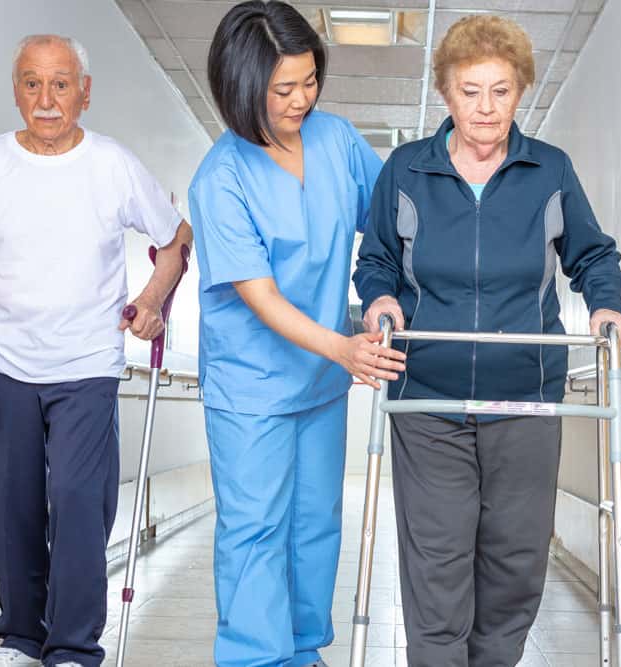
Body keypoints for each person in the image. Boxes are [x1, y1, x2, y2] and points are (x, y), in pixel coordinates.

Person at [353, 14, 621, 667]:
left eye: (500, 90)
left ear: (520, 92)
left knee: (514, 563)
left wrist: (606, 307)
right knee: (438, 564)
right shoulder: (406, 170)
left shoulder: (549, 172)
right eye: (469, 90)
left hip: (525, 398)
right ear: (445, 95)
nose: (485, 106)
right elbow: (377, 261)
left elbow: (592, 256)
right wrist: (381, 299)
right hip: (426, 398)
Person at [0, 34, 192, 667]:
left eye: (59, 84)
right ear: (16, 91)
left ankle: (74, 648)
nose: (46, 99)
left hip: (86, 369)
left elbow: (175, 237)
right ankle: (22, 639)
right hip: (5, 365)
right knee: (16, 507)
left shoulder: (111, 164)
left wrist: (155, 297)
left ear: (84, 91)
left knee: (79, 503)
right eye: (31, 83)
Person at [187, 2, 402, 666]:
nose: (301, 99)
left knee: (315, 527)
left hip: (320, 382)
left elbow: (388, 223)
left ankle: (303, 652)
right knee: (255, 530)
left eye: (310, 81)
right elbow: (261, 296)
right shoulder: (220, 178)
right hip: (251, 385)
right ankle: (256, 657)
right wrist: (343, 346)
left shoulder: (337, 141)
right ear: (242, 86)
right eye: (283, 89)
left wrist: (381, 298)